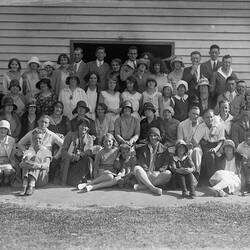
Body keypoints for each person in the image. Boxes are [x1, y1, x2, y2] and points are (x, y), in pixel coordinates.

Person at [134, 127, 172, 195]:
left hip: (157, 175)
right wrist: (147, 171)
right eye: (151, 136)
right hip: (146, 174)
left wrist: (159, 171)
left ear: (158, 137)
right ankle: (153, 188)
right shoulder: (143, 148)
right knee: (137, 168)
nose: (153, 137)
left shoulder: (164, 149)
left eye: (155, 135)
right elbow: (141, 161)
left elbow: (166, 164)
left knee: (168, 173)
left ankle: (144, 187)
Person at [193, 109, 225, 181]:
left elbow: (221, 140)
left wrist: (216, 149)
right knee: (210, 155)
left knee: (220, 155)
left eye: (211, 117)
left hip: (218, 146)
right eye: (207, 117)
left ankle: (221, 178)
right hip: (207, 146)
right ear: (203, 118)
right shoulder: (201, 126)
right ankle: (212, 179)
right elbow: (195, 140)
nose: (210, 119)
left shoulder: (220, 125)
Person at [60, 119, 94, 186]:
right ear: (78, 126)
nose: (83, 127)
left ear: (88, 128)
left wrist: (80, 155)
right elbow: (63, 151)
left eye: (86, 126)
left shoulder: (90, 138)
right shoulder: (70, 135)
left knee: (88, 159)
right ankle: (65, 180)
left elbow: (89, 152)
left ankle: (82, 177)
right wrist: (72, 156)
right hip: (69, 161)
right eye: (82, 125)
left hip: (81, 161)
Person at [19, 128, 52, 196]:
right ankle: (25, 185)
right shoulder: (28, 151)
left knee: (35, 158)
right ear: (32, 140)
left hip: (40, 179)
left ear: (42, 140)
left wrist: (36, 165)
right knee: (27, 159)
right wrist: (26, 163)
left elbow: (47, 165)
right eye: (35, 138)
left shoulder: (47, 151)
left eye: (39, 138)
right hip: (27, 177)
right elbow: (21, 164)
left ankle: (31, 185)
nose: (37, 140)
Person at [177, 106, 203, 179]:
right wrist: (185, 146)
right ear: (189, 114)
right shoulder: (182, 125)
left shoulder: (201, 123)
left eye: (197, 114)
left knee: (197, 151)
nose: (195, 116)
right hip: (184, 147)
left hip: (196, 146)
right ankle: (189, 176)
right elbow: (180, 140)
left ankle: (196, 174)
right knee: (190, 152)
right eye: (193, 114)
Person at [0, 120, 16, 186]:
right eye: (1, 128)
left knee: (8, 171)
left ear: (8, 130)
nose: (3, 131)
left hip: (7, 161)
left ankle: (6, 178)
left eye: (5, 129)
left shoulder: (11, 140)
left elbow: (13, 153)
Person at [237, 130, 250, 194]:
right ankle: (247, 185)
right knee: (243, 160)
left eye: (249, 136)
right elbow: (237, 159)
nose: (248, 138)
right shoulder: (240, 146)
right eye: (246, 136)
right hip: (244, 168)